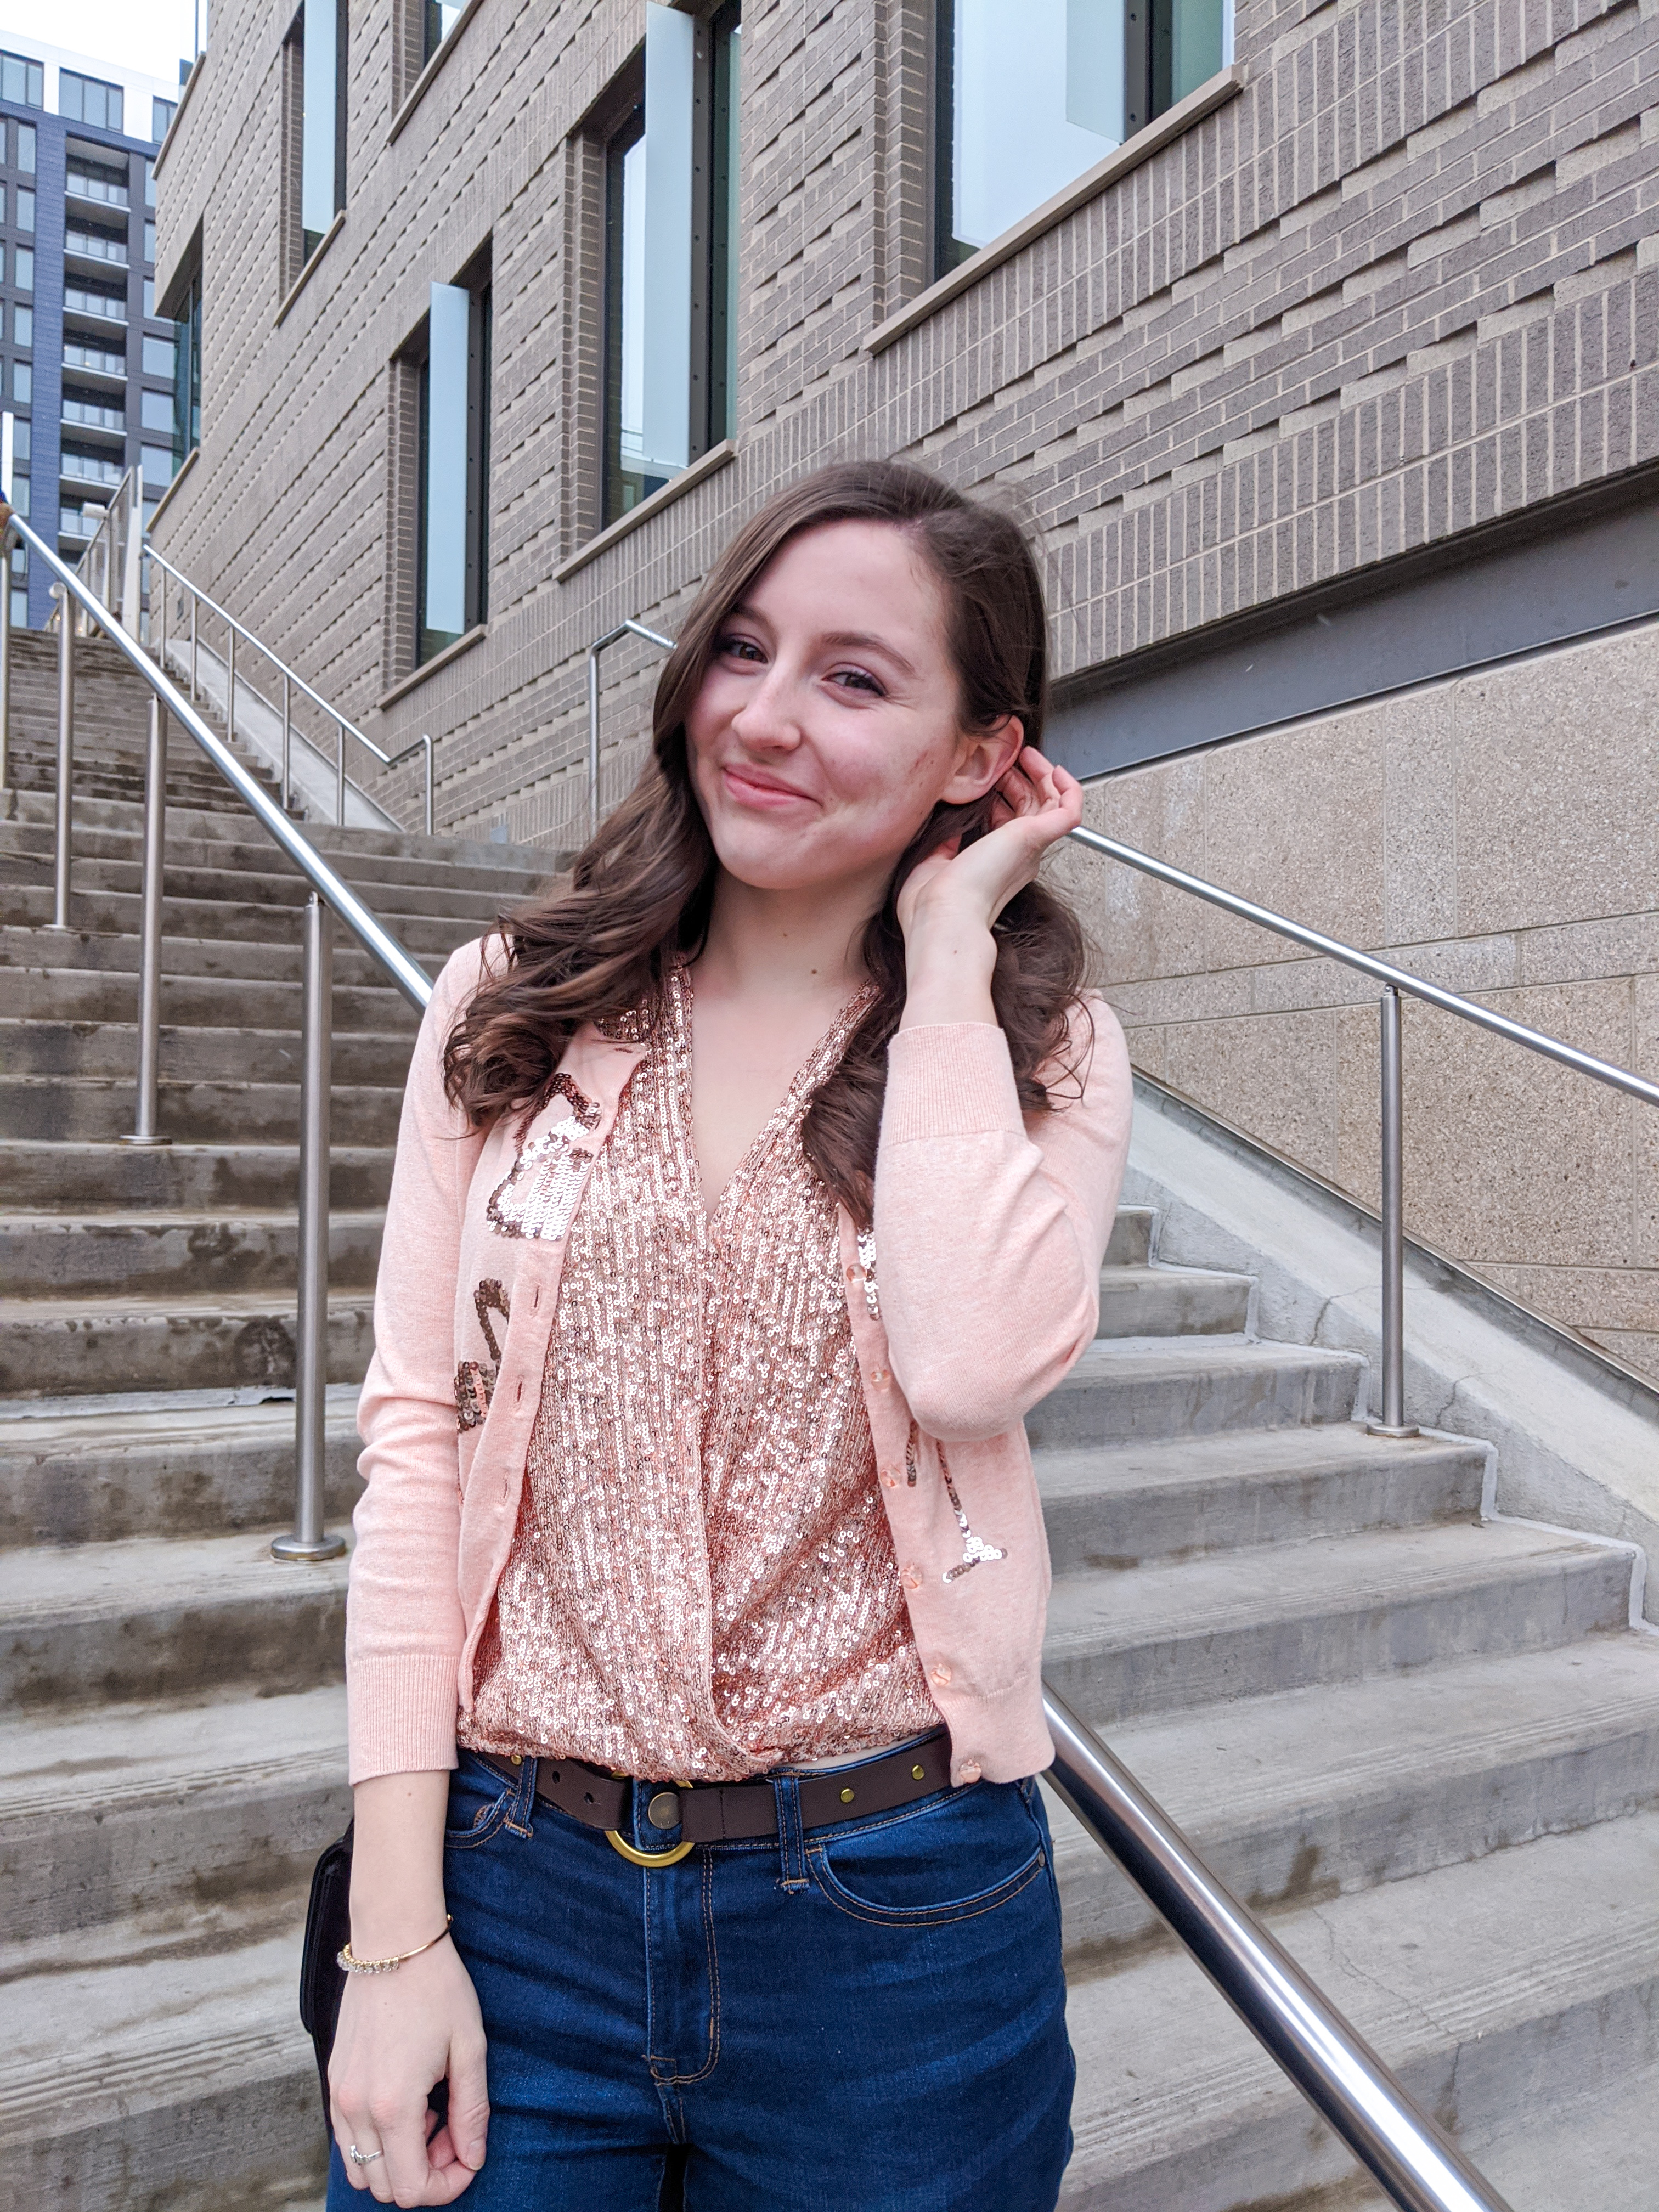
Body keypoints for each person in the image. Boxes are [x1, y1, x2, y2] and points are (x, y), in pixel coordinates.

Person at [326, 458, 1133, 2211]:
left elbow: (972, 1363)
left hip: (894, 1923)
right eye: (743, 651)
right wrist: (395, 1947)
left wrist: (940, 961)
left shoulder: (1038, 1052)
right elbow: (416, 1442)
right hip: (512, 1885)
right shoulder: (511, 1005)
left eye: (855, 679)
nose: (764, 719)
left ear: (984, 755)